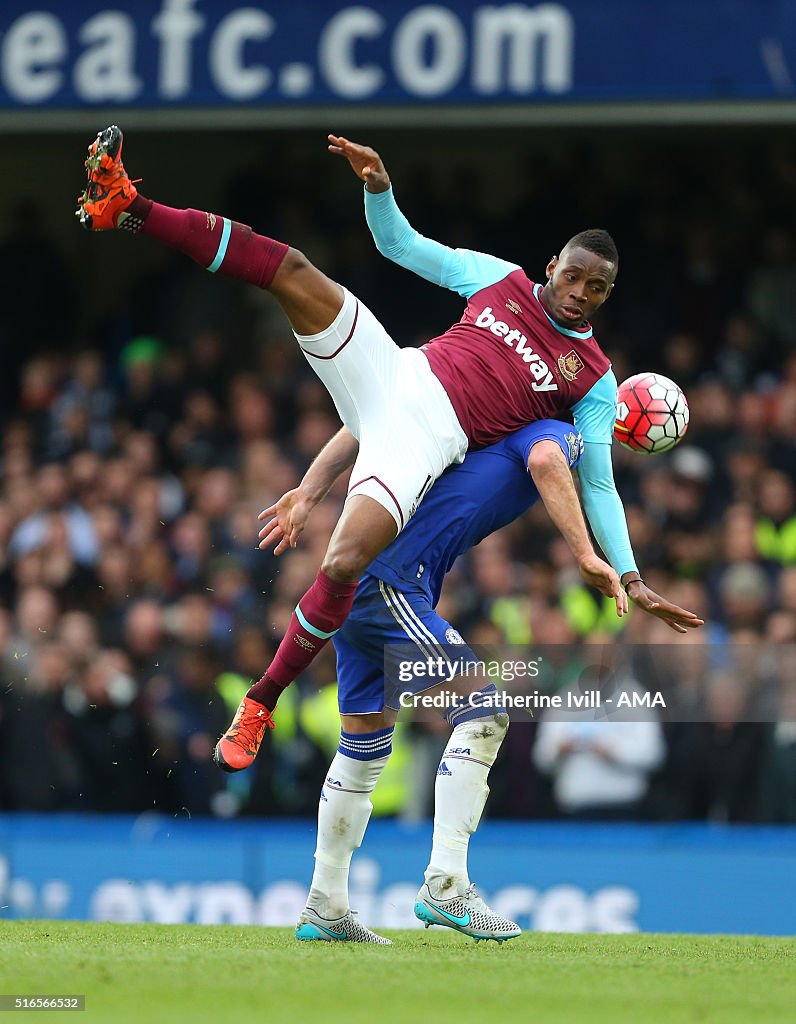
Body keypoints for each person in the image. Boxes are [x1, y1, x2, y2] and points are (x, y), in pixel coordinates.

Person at [77, 127, 703, 774]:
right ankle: (128, 207)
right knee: (292, 270)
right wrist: (380, 190)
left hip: (425, 439)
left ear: (606, 296)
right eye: (572, 276)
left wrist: (628, 574)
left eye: (595, 288)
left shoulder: (594, 378)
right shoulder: (501, 280)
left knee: (345, 561)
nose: (578, 292)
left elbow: (597, 484)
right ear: (552, 268)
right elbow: (399, 245)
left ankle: (261, 700)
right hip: (394, 373)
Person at [260, 416, 624, 942]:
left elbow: (363, 420)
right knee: (485, 713)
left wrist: (312, 491)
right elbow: (546, 460)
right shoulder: (551, 429)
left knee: (364, 746)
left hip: (364, 580)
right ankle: (446, 883)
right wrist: (589, 555)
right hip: (391, 583)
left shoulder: (467, 410)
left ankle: (325, 903)